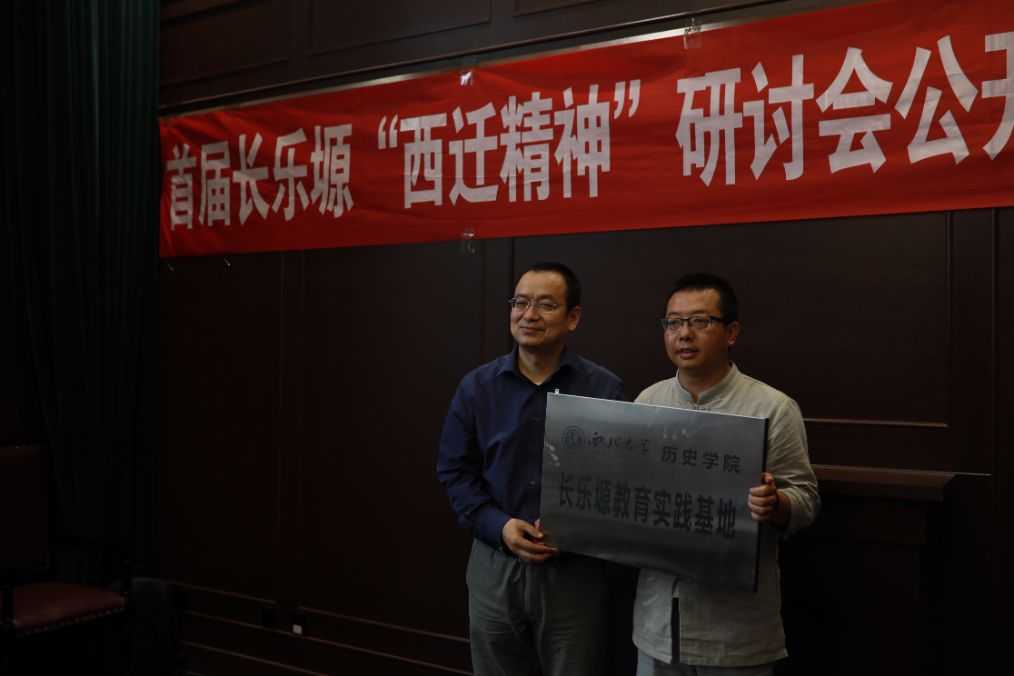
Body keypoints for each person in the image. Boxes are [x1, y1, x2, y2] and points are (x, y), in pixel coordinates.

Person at [437, 261, 626, 676]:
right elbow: (454, 472)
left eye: (545, 305)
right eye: (520, 302)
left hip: (574, 570)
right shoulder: (476, 387)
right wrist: (500, 526)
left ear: (573, 317)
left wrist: (576, 526)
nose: (528, 315)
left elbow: (621, 479)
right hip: (494, 561)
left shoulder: (603, 389)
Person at [632, 273, 820, 676]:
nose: (684, 333)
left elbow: (806, 500)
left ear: (731, 332)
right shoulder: (647, 402)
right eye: (673, 323)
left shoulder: (773, 407)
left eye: (700, 321)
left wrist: (776, 503)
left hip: (735, 632)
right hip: (657, 623)